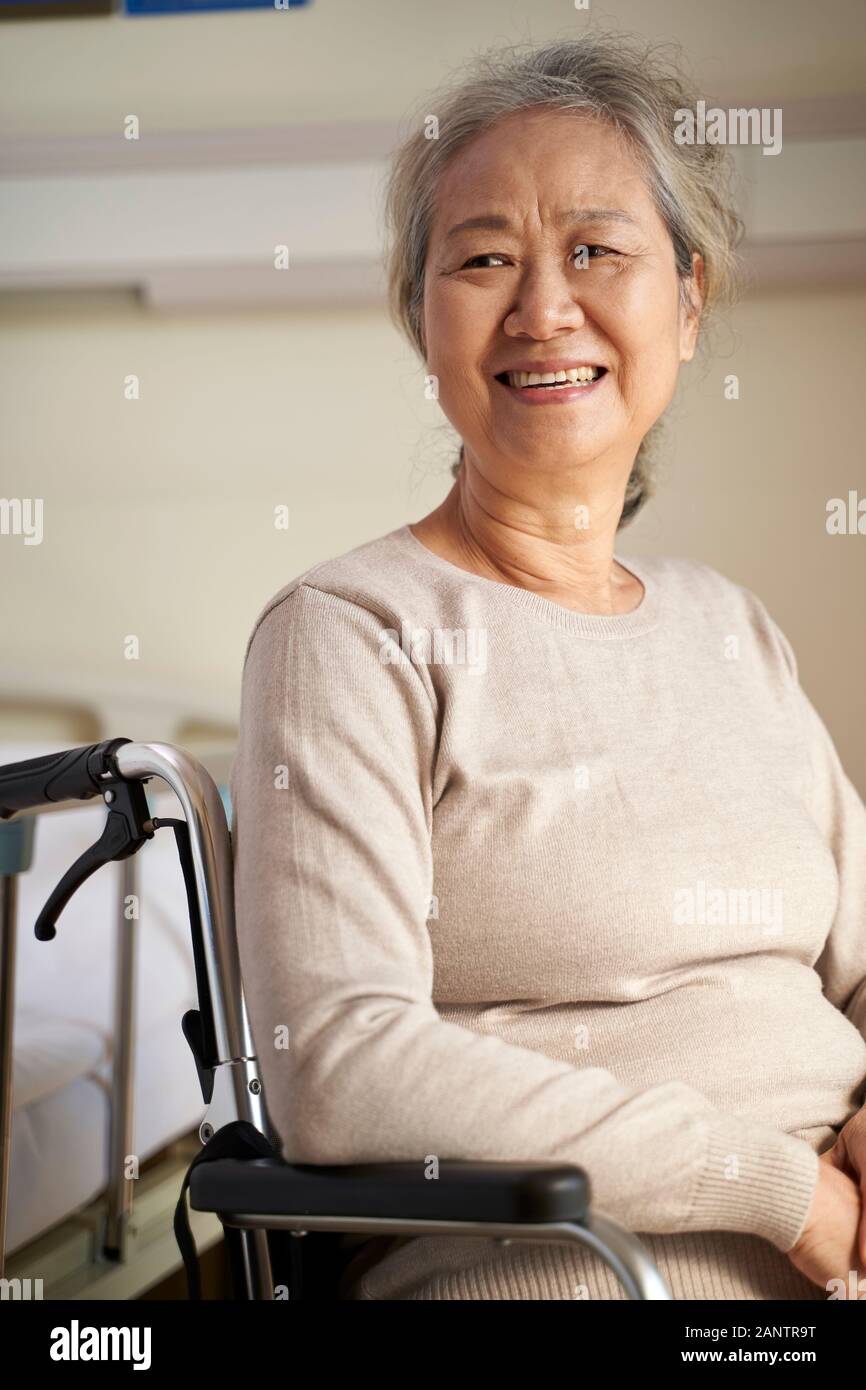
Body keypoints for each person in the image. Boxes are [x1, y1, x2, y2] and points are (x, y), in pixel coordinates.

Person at [230, 35, 866, 1300]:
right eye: (481, 260)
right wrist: (776, 1190)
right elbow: (338, 1067)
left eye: (594, 250)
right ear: (422, 316)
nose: (541, 309)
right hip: (565, 1272)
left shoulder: (729, 627)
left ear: (684, 305)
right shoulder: (347, 631)